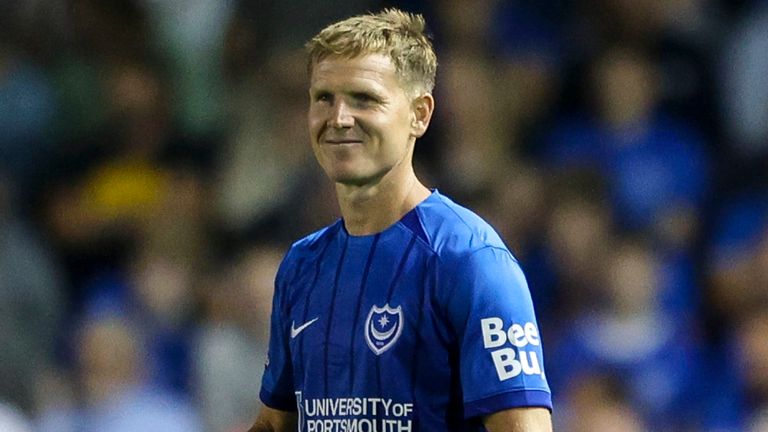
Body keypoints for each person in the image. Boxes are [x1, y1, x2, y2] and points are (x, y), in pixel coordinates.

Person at [248, 8, 552, 431]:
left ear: (420, 114)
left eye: (364, 99)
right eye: (324, 98)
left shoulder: (470, 260)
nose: (338, 118)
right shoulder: (302, 265)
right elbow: (275, 423)